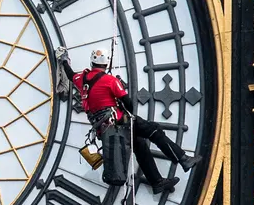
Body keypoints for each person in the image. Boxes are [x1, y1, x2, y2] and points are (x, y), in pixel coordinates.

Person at [58, 48, 201, 194]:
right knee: (155, 130)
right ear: (106, 64)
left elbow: (70, 74)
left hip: (104, 130)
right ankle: (183, 159)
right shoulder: (110, 81)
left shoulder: (82, 79)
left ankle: (157, 182)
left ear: (92, 62)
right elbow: (128, 102)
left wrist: (63, 61)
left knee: (139, 145)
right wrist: (130, 115)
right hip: (120, 122)